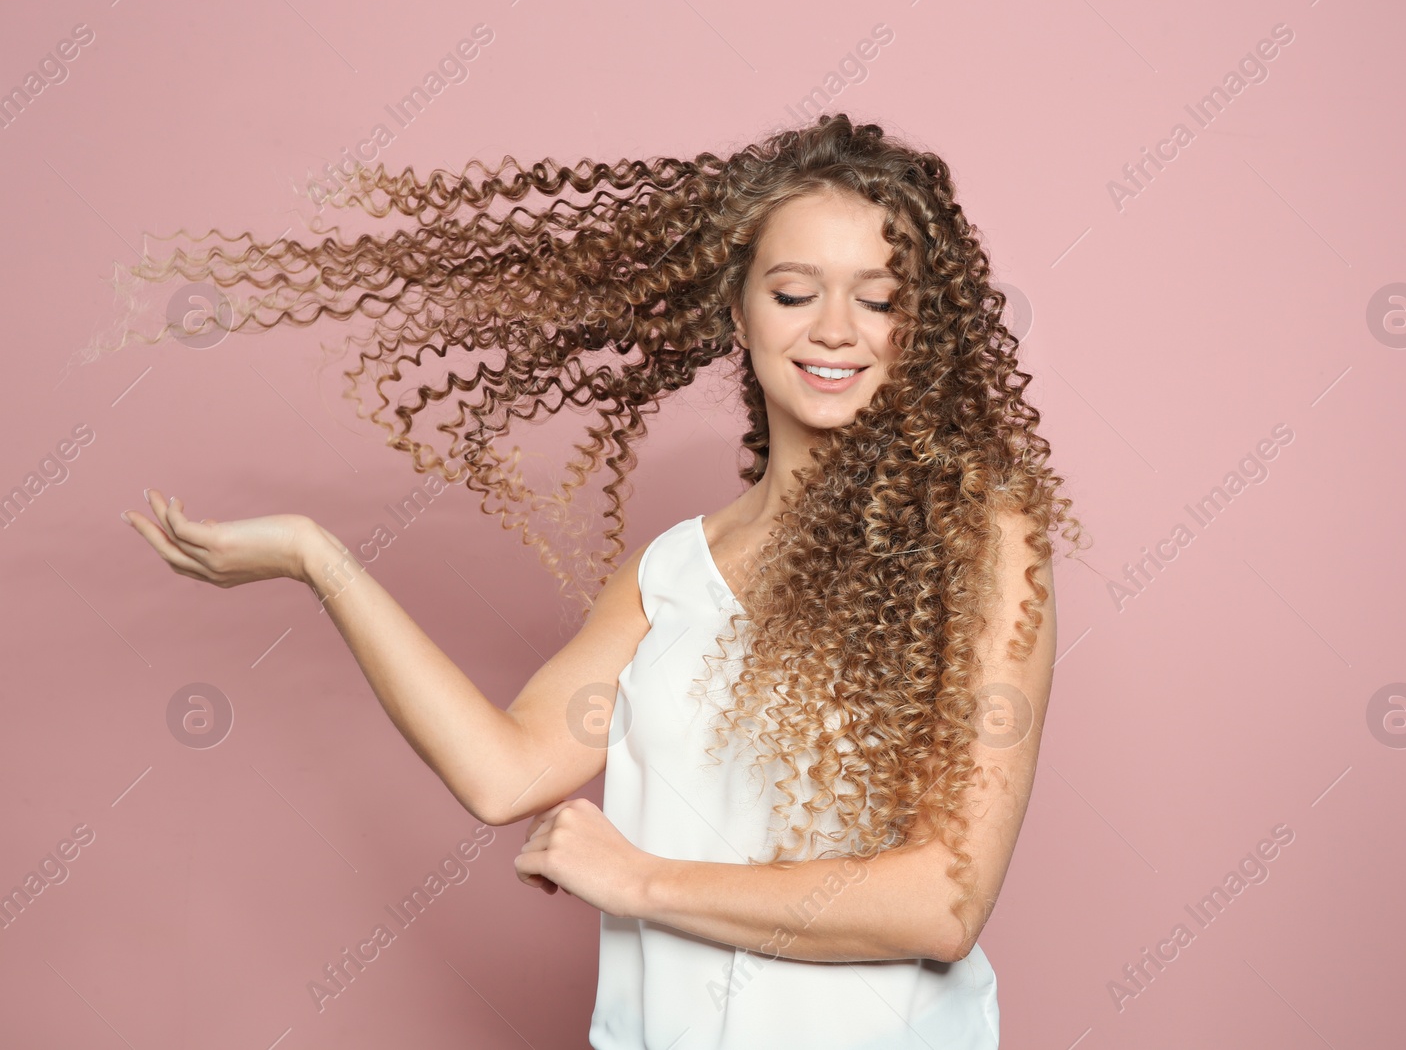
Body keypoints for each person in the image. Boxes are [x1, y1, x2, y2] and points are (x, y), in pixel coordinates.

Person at [106, 113, 1087, 1049]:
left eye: (877, 298)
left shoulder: (979, 545)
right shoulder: (669, 574)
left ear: (919, 327)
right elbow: (503, 773)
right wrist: (320, 559)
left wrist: (642, 880)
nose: (836, 328)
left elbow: (943, 900)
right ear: (736, 310)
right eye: (794, 292)